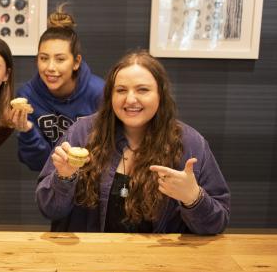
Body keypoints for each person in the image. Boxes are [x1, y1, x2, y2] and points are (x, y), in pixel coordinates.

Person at [36, 50, 230, 234]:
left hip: (160, 263)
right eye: (121, 90)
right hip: (91, 260)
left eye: (142, 90)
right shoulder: (82, 133)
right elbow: (49, 210)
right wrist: (64, 178)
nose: (130, 99)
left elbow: (216, 224)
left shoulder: (191, 144)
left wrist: (193, 198)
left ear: (160, 95)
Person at [13, 4, 105, 171]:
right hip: (52, 185)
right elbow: (38, 164)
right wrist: (27, 130)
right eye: (44, 58)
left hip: (94, 182)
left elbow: (112, 150)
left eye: (60, 59)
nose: (50, 67)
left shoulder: (99, 93)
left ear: (76, 62)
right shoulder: (28, 96)